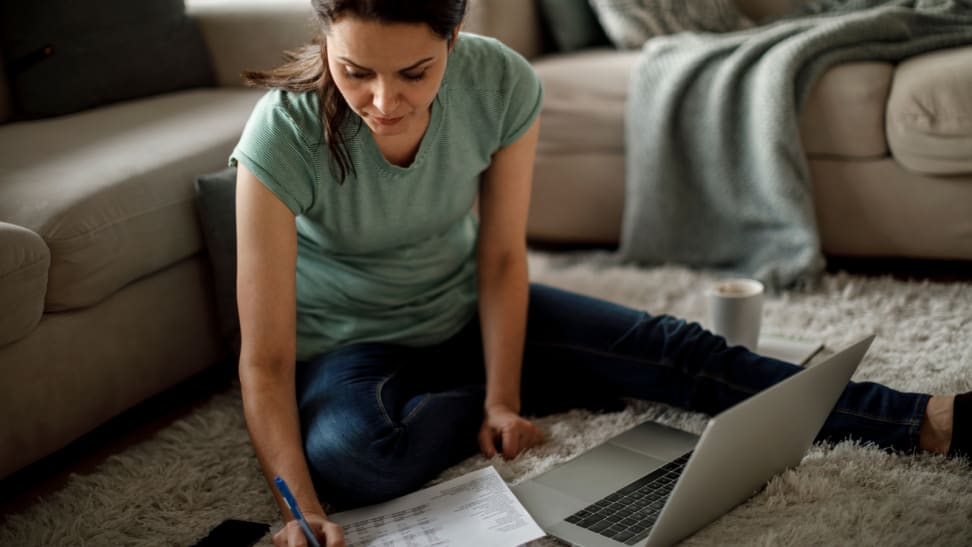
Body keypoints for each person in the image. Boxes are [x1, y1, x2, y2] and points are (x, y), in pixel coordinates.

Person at [229, 1, 970, 545]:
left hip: (465, 305)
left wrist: (504, 396)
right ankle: (566, 377)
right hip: (350, 350)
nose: (383, 102)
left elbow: (502, 257)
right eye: (355, 71)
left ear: (453, 37)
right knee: (352, 458)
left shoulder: (501, 83)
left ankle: (920, 418)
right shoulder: (282, 130)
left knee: (676, 347)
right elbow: (263, 360)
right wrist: (301, 512)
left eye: (413, 72)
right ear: (323, 36)